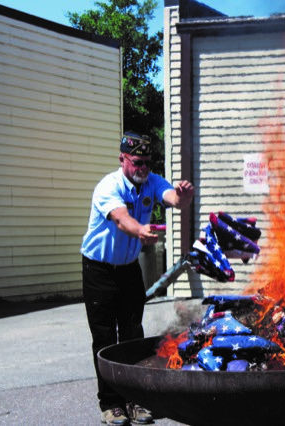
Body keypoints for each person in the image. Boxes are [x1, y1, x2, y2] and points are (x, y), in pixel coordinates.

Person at [80, 132, 194, 425]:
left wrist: (182, 196)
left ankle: (134, 400)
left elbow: (172, 198)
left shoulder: (151, 181)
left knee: (132, 335)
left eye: (147, 162)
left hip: (129, 269)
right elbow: (120, 218)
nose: (143, 168)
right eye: (137, 162)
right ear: (122, 159)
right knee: (104, 339)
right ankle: (110, 404)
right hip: (99, 271)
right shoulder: (109, 186)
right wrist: (140, 231)